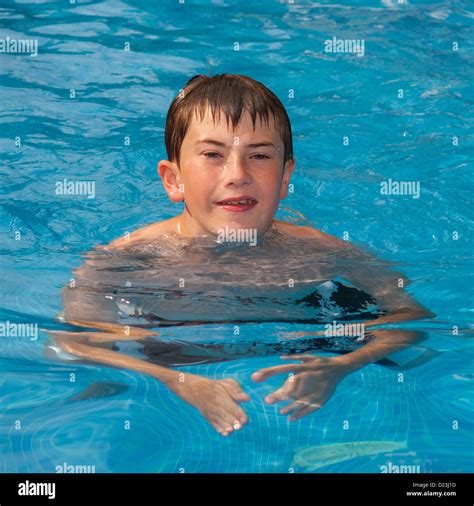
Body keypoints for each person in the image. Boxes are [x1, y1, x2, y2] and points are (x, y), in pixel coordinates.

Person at [50, 74, 434, 436]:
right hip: (166, 347)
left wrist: (341, 365)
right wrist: (176, 380)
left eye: (260, 156)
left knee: (418, 363)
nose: (237, 174)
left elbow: (413, 317)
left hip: (299, 332)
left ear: (285, 178)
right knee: (98, 391)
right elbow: (74, 343)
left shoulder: (319, 253)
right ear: (174, 179)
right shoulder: (127, 262)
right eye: (213, 155)